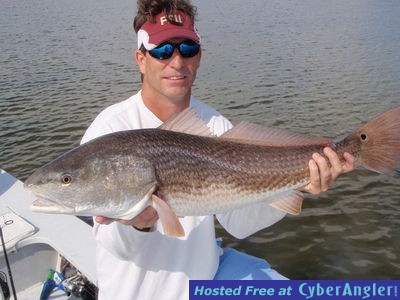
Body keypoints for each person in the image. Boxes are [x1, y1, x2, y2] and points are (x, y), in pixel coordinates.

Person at [81, 0, 355, 299]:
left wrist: (299, 184)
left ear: (199, 57)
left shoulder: (213, 124)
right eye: (162, 50)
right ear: (141, 59)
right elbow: (114, 246)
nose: (176, 61)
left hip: (207, 281)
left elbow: (239, 222)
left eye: (187, 48)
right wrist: (138, 225)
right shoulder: (111, 130)